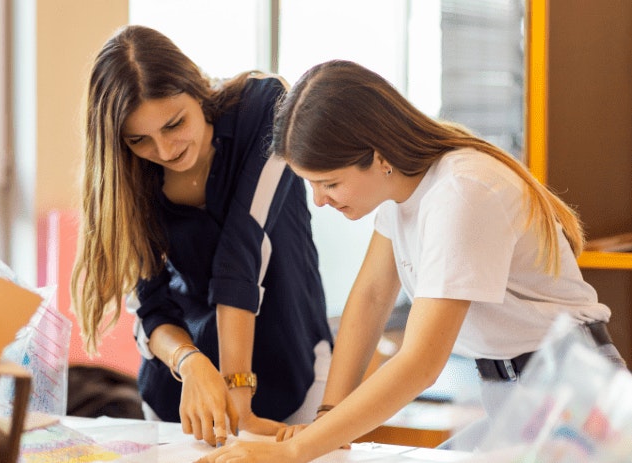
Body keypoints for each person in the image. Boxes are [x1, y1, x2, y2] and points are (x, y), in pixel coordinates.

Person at [197, 59, 627, 463]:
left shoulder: (460, 192)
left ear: (379, 157)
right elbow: (370, 298)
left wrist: (296, 450)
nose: (320, 201)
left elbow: (420, 363)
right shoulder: (402, 193)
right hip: (517, 394)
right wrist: (328, 415)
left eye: (329, 183)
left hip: (575, 398)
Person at [70, 25, 333, 447]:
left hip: (293, 362)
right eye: (140, 139)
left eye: (175, 124)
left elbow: (242, 253)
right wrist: (190, 363)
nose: (165, 149)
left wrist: (239, 399)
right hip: (180, 395)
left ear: (197, 88)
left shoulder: (268, 108)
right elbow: (151, 308)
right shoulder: (127, 177)